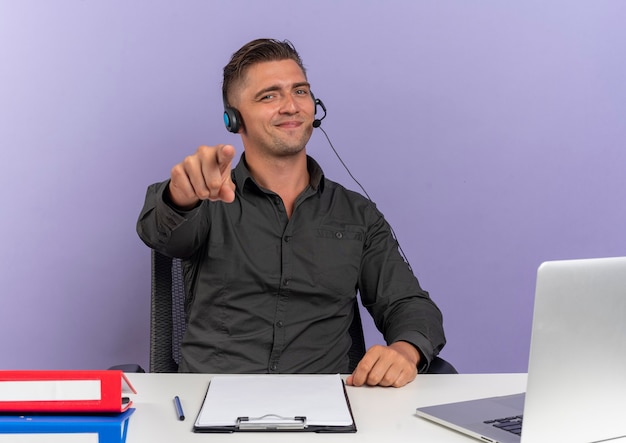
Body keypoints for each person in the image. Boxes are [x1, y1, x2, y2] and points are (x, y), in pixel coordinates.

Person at [137, 38, 446, 387]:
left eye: (300, 91)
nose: (290, 106)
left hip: (326, 407)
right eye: (269, 95)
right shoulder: (205, 195)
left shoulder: (357, 214)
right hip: (210, 403)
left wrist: (404, 351)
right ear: (234, 119)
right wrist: (180, 196)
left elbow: (410, 304)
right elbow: (161, 232)